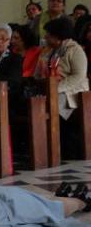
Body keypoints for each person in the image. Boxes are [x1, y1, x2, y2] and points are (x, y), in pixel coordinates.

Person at [39, 18, 90, 159]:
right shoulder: (51, 51)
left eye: (48, 34)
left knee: (52, 104)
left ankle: (62, 148)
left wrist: (56, 89)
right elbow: (39, 75)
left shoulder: (76, 50)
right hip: (53, 90)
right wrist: (41, 60)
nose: (45, 37)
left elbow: (79, 76)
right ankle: (46, 147)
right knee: (38, 104)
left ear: (58, 35)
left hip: (74, 93)